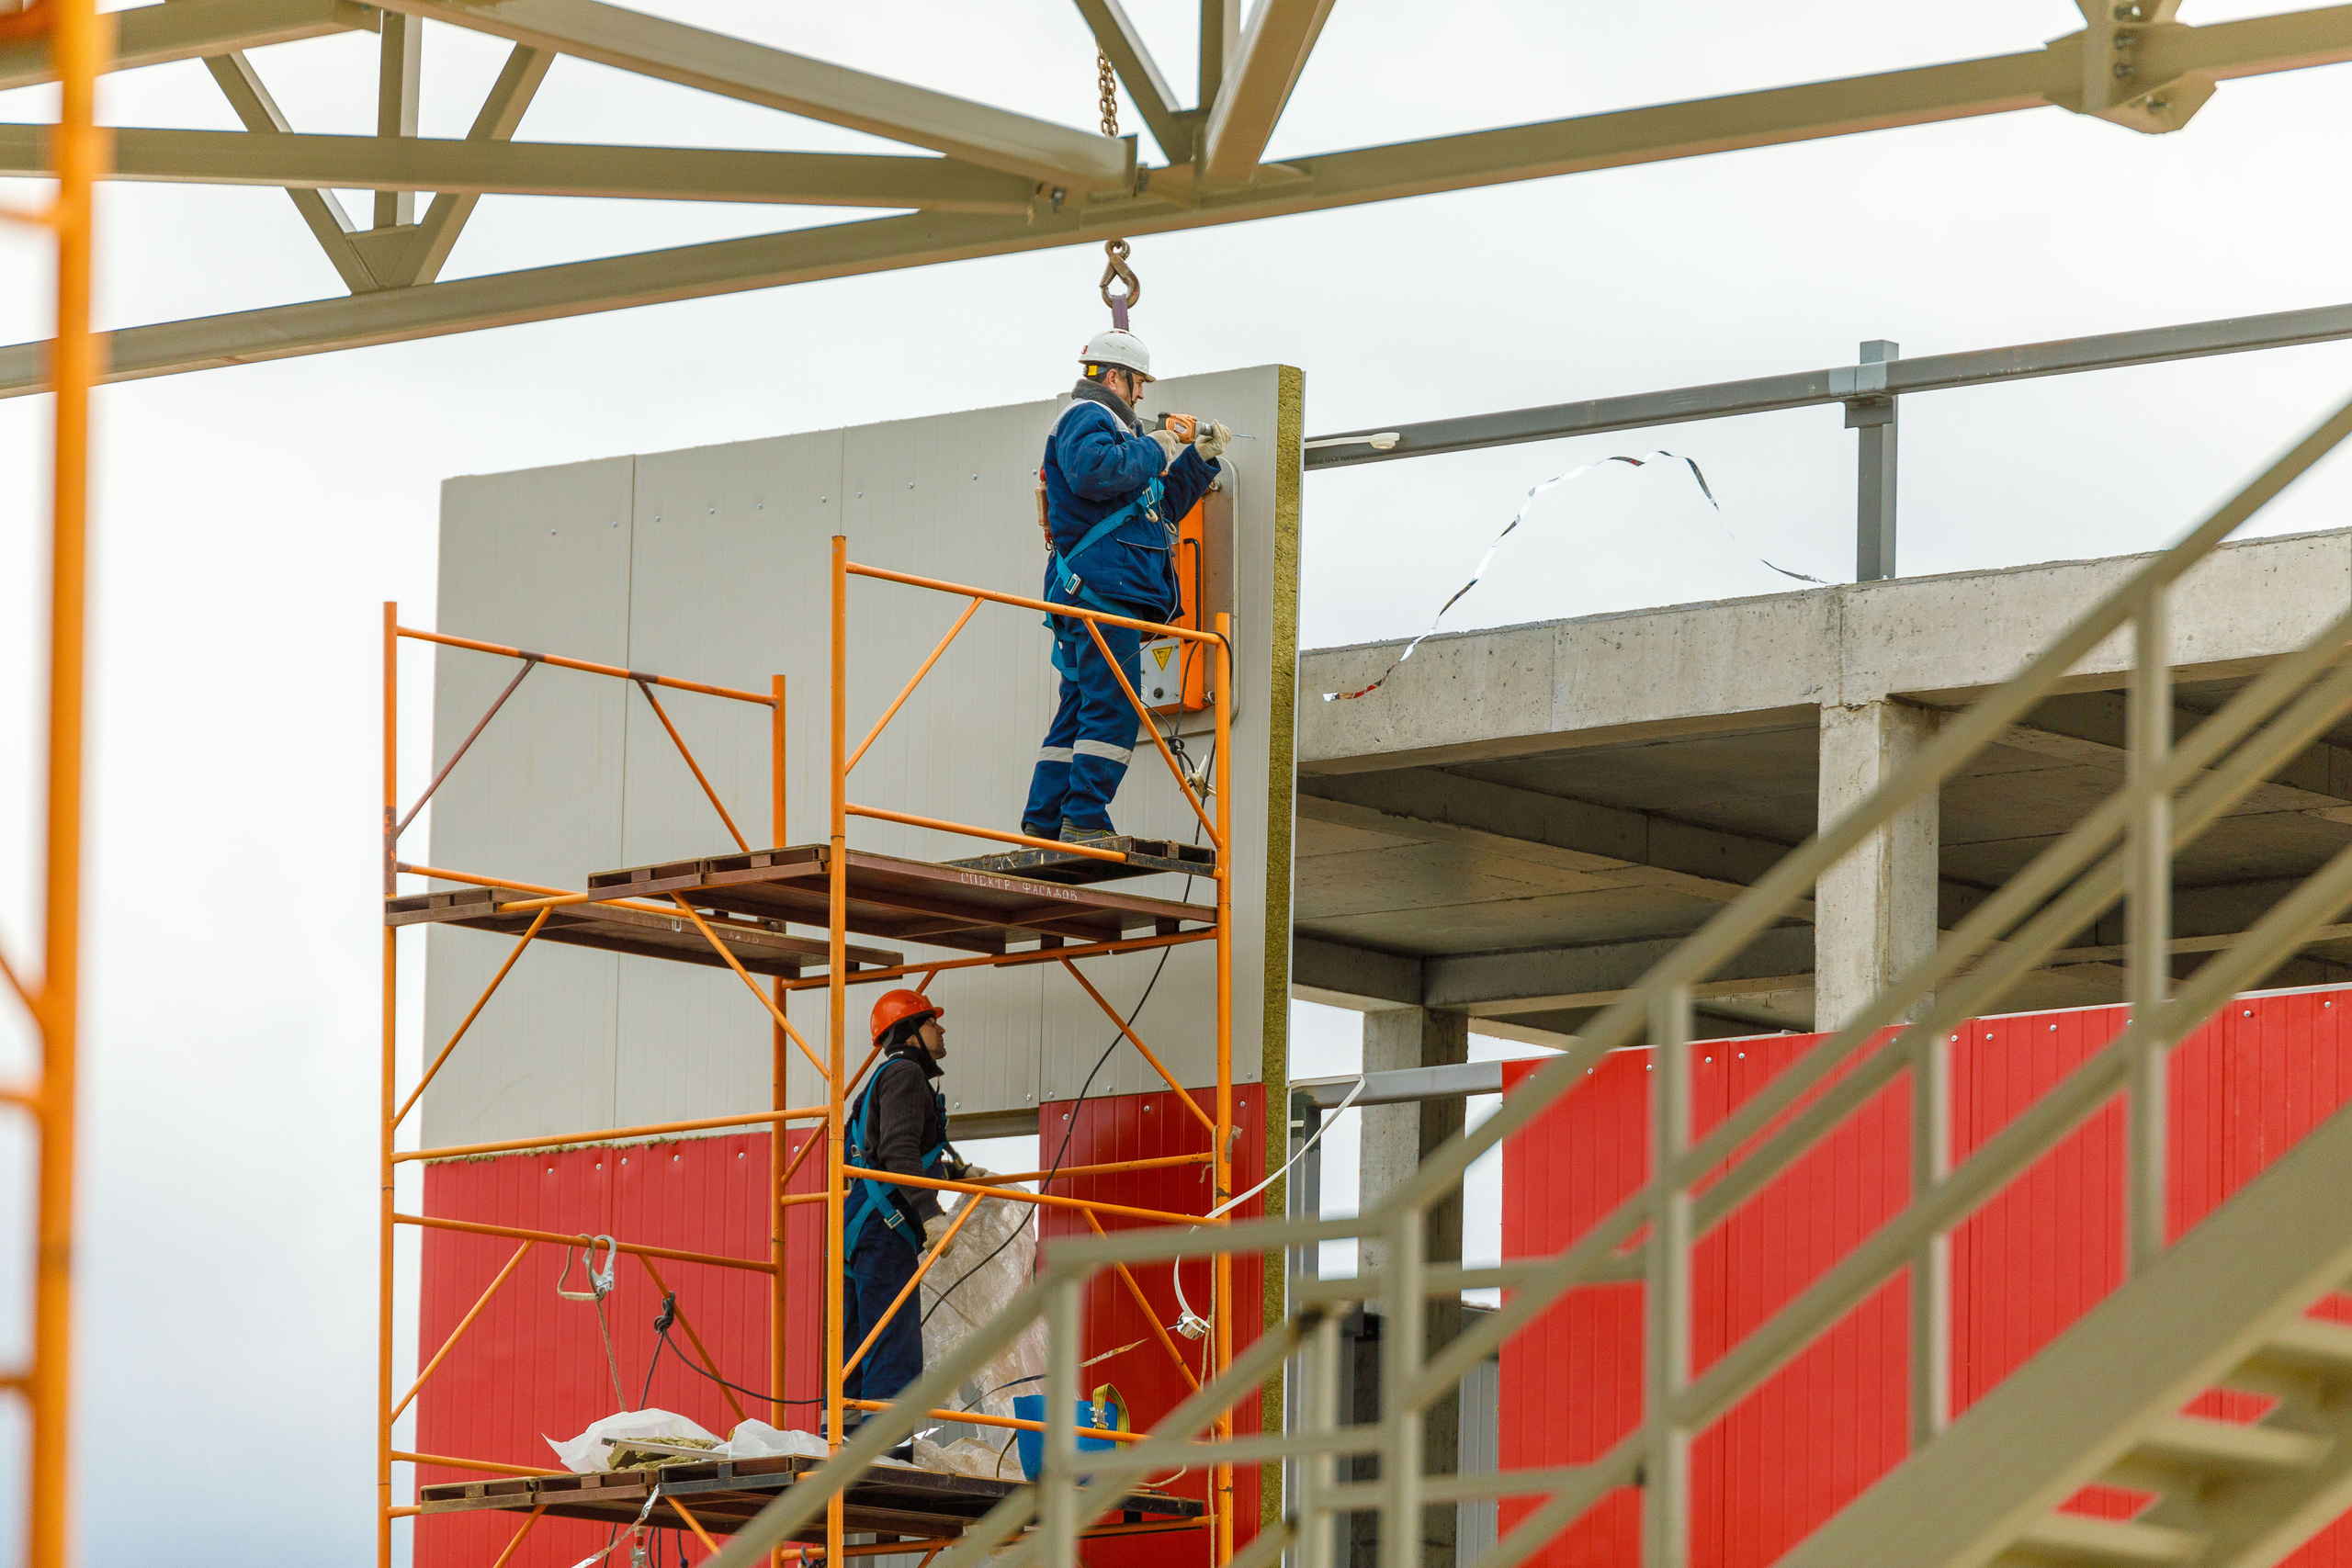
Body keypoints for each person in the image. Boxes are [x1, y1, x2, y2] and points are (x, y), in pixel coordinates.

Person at [1022, 328, 1231, 846]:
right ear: (1114, 376)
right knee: (1113, 706)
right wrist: (1160, 444)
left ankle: (1045, 818)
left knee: (1080, 707)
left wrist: (1198, 460)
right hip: (1099, 593)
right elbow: (1096, 473)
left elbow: (1155, 509)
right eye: (1138, 382)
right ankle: (1085, 818)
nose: (1142, 394)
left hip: (1093, 593)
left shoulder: (1122, 437)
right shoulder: (1086, 419)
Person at [841, 987, 983, 1411]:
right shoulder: (906, 1076)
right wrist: (930, 1215)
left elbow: (887, 1147)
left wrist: (953, 1171)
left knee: (857, 1345)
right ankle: (888, 1457)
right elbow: (899, 1150)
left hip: (861, 1224)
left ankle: (843, 1447)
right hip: (886, 1227)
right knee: (892, 1345)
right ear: (908, 1032)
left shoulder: (882, 1081)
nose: (940, 1028)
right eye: (930, 1022)